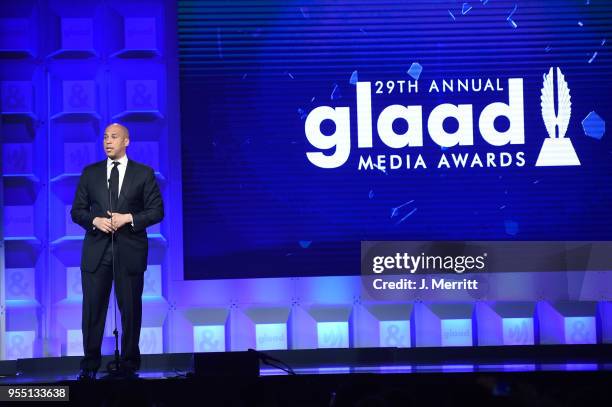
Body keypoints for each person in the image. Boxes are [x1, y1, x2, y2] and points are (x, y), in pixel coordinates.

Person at [70, 123, 164, 380]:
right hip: (97, 252)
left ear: (126, 142)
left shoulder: (143, 174)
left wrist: (129, 218)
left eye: (114, 137)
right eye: (105, 137)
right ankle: (89, 366)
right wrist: (95, 220)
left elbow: (157, 211)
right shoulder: (90, 173)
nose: (108, 141)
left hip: (129, 251)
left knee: (131, 310)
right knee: (92, 311)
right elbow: (76, 210)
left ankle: (129, 365)